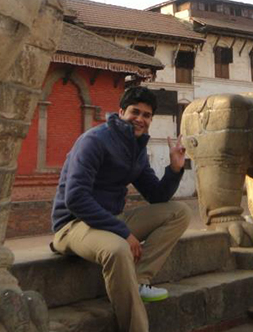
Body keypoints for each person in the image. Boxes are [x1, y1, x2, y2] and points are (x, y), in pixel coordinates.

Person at [51, 86, 191, 332]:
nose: (140, 119)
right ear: (120, 112)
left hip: (109, 222)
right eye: (135, 112)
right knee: (118, 249)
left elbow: (157, 195)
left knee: (180, 212)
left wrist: (175, 169)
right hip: (73, 225)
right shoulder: (94, 141)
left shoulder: (136, 150)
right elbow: (75, 198)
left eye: (147, 115)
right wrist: (123, 233)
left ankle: (138, 280)